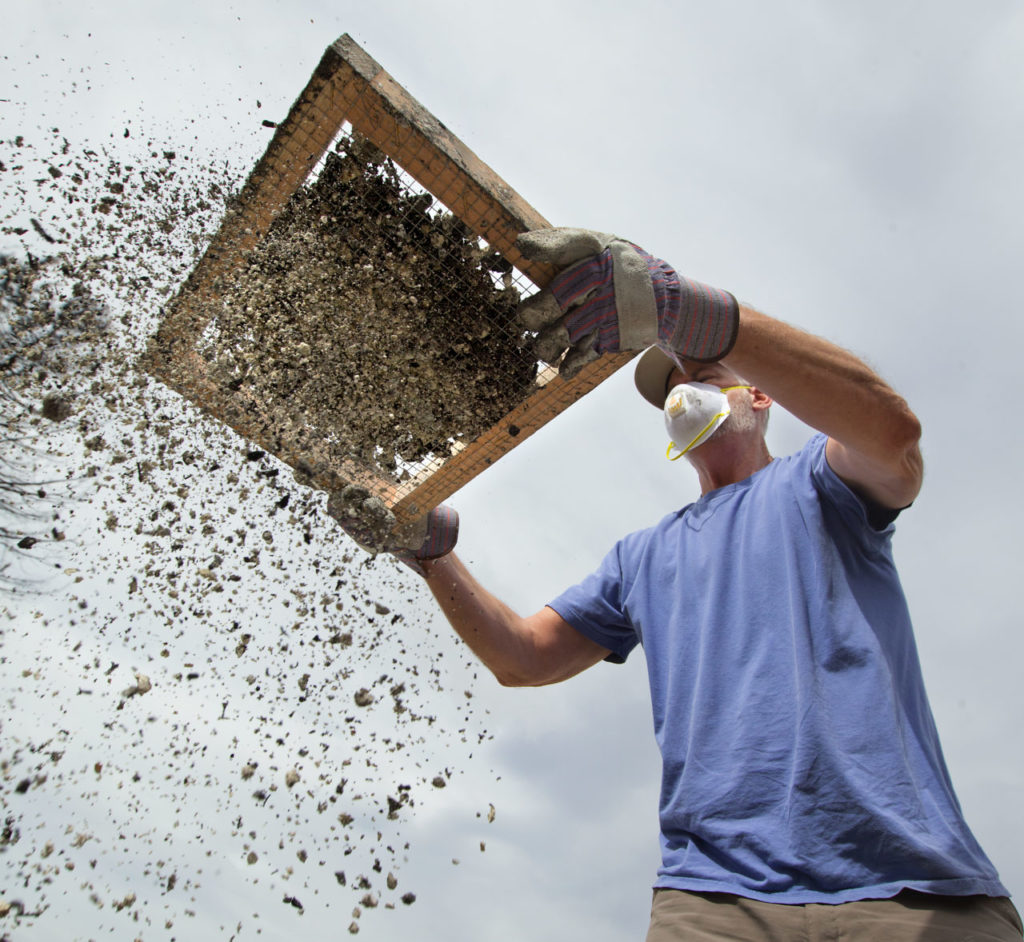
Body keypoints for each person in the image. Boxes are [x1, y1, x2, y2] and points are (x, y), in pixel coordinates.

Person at [329, 229, 1021, 941]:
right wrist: (431, 553)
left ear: (760, 395)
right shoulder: (644, 557)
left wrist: (695, 314)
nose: (684, 388)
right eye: (673, 385)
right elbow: (524, 657)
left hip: (908, 888)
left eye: (704, 373)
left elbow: (893, 436)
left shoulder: (821, 481)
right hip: (716, 899)